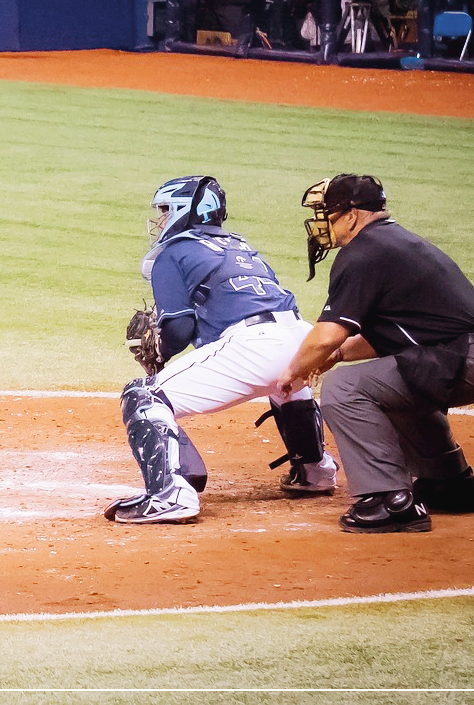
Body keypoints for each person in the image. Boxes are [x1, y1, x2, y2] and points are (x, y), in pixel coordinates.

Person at [276, 175, 474, 534]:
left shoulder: (362, 253)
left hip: (462, 359)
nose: (322, 222)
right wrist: (340, 354)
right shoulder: (393, 242)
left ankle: (388, 500)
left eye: (327, 212)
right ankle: (447, 483)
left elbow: (324, 336)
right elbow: (397, 335)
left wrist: (293, 372)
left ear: (352, 215)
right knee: (393, 385)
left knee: (345, 389)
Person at [102, 175, 338, 525]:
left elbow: (179, 328)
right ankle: (315, 470)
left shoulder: (174, 252)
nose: (161, 219)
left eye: (166, 210)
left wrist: (161, 350)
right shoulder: (240, 246)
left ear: (186, 211)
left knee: (143, 396)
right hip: (301, 337)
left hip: (254, 345)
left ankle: (170, 495)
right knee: (284, 384)